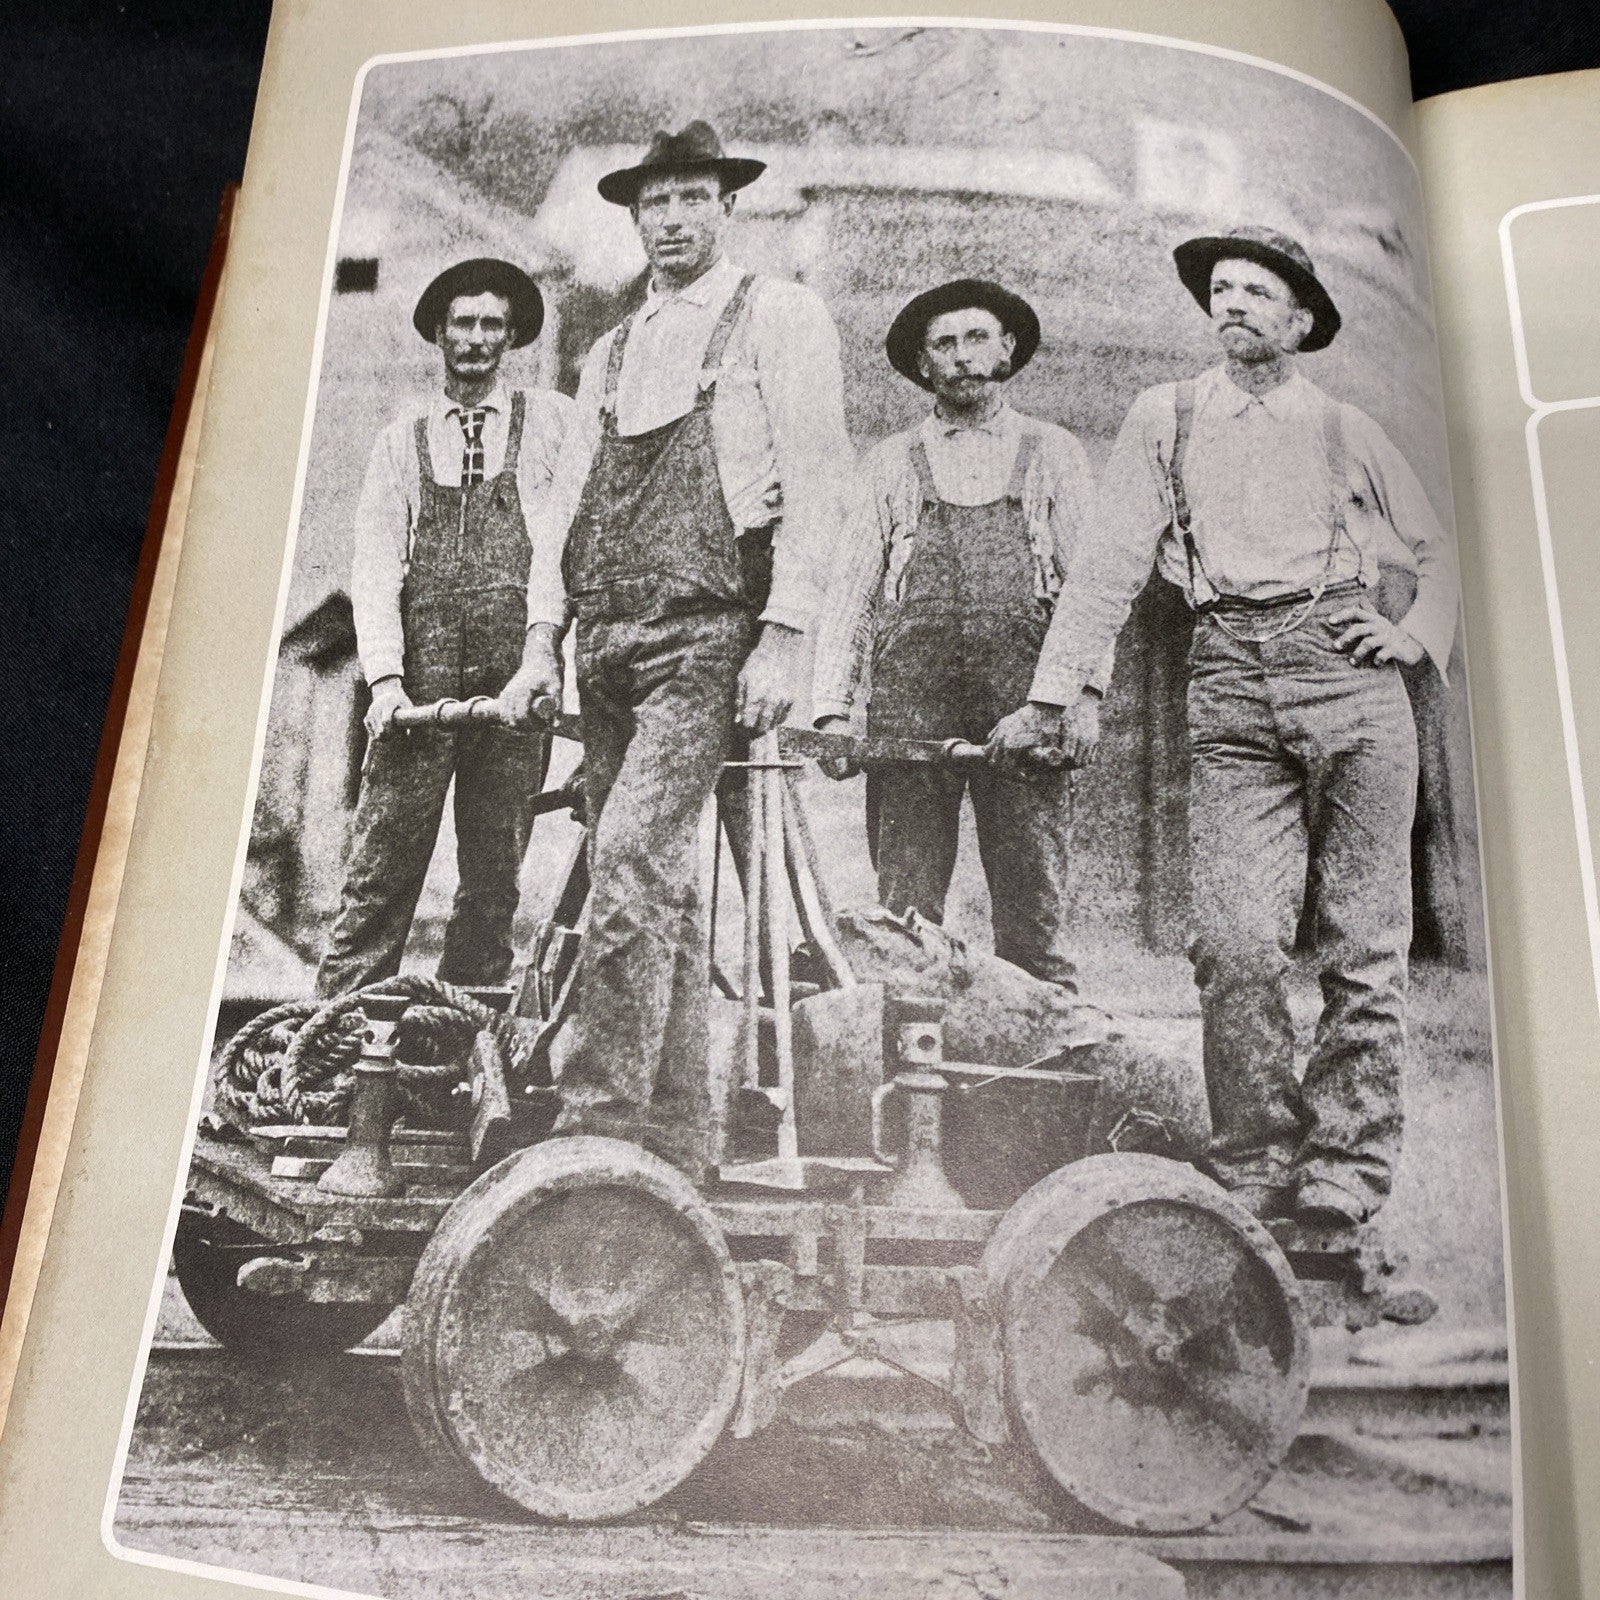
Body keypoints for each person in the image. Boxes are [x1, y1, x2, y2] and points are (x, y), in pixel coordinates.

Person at [990, 225, 1460, 1228]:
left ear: (1300, 320)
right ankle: (1253, 1153)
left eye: (1258, 291)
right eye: (1222, 289)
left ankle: (1346, 1165)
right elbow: (1110, 563)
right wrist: (1053, 693)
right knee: (1236, 940)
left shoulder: (1344, 427)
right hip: (1229, 678)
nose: (1234, 303)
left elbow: (1439, 544)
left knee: (1363, 941)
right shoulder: (1165, 417)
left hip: (1348, 678)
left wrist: (1412, 636)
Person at [502, 122, 850, 1179]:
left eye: (695, 198)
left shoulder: (778, 316)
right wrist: (541, 642)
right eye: (656, 202)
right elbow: (564, 511)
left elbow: (820, 483)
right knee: (662, 891)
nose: (674, 219)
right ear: (635, 216)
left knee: (627, 859)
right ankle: (677, 1139)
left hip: (707, 632)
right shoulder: (609, 349)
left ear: (727, 208)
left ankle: (597, 1127)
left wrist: (782, 638)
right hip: (605, 636)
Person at [810, 279, 1102, 989]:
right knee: (905, 919)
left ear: (1007, 349)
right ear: (923, 363)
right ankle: (912, 1053)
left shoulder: (1054, 452)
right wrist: (831, 713)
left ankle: (1044, 1047)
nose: (963, 356)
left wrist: (1084, 696)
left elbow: (1091, 589)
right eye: (944, 344)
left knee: (1034, 912)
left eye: (977, 338)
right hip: (912, 707)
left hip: (1027, 704)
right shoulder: (890, 461)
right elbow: (851, 593)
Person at [316, 259, 572, 1000]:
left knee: (493, 881)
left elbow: (563, 549)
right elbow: (375, 569)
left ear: (511, 336)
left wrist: (543, 661)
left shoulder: (550, 425)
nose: (477, 339)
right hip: (419, 693)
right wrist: (386, 683)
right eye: (463, 323)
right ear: (438, 333)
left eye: (493, 324)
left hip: (512, 686)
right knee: (379, 872)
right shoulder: (402, 441)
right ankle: (333, 1043)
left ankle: (457, 1041)